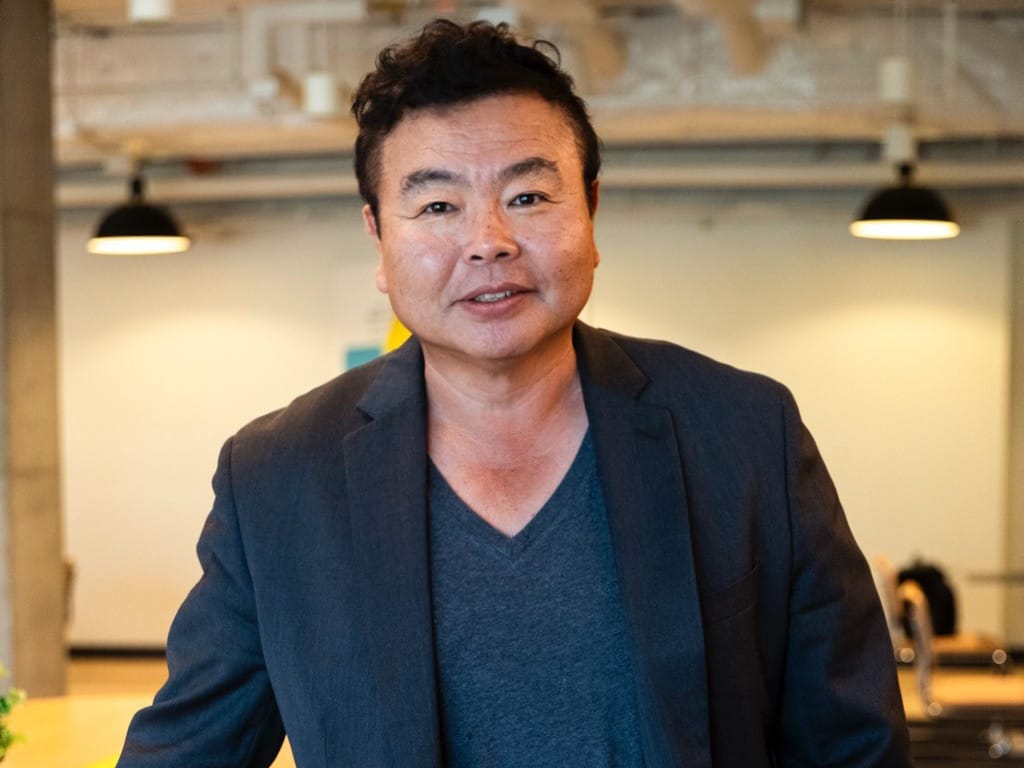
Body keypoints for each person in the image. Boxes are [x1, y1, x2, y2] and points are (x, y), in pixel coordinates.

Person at [118, 19, 912, 768]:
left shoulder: (743, 435)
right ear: (379, 238)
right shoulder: (281, 476)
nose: (488, 242)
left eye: (527, 197)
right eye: (437, 206)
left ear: (590, 211)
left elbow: (853, 747)